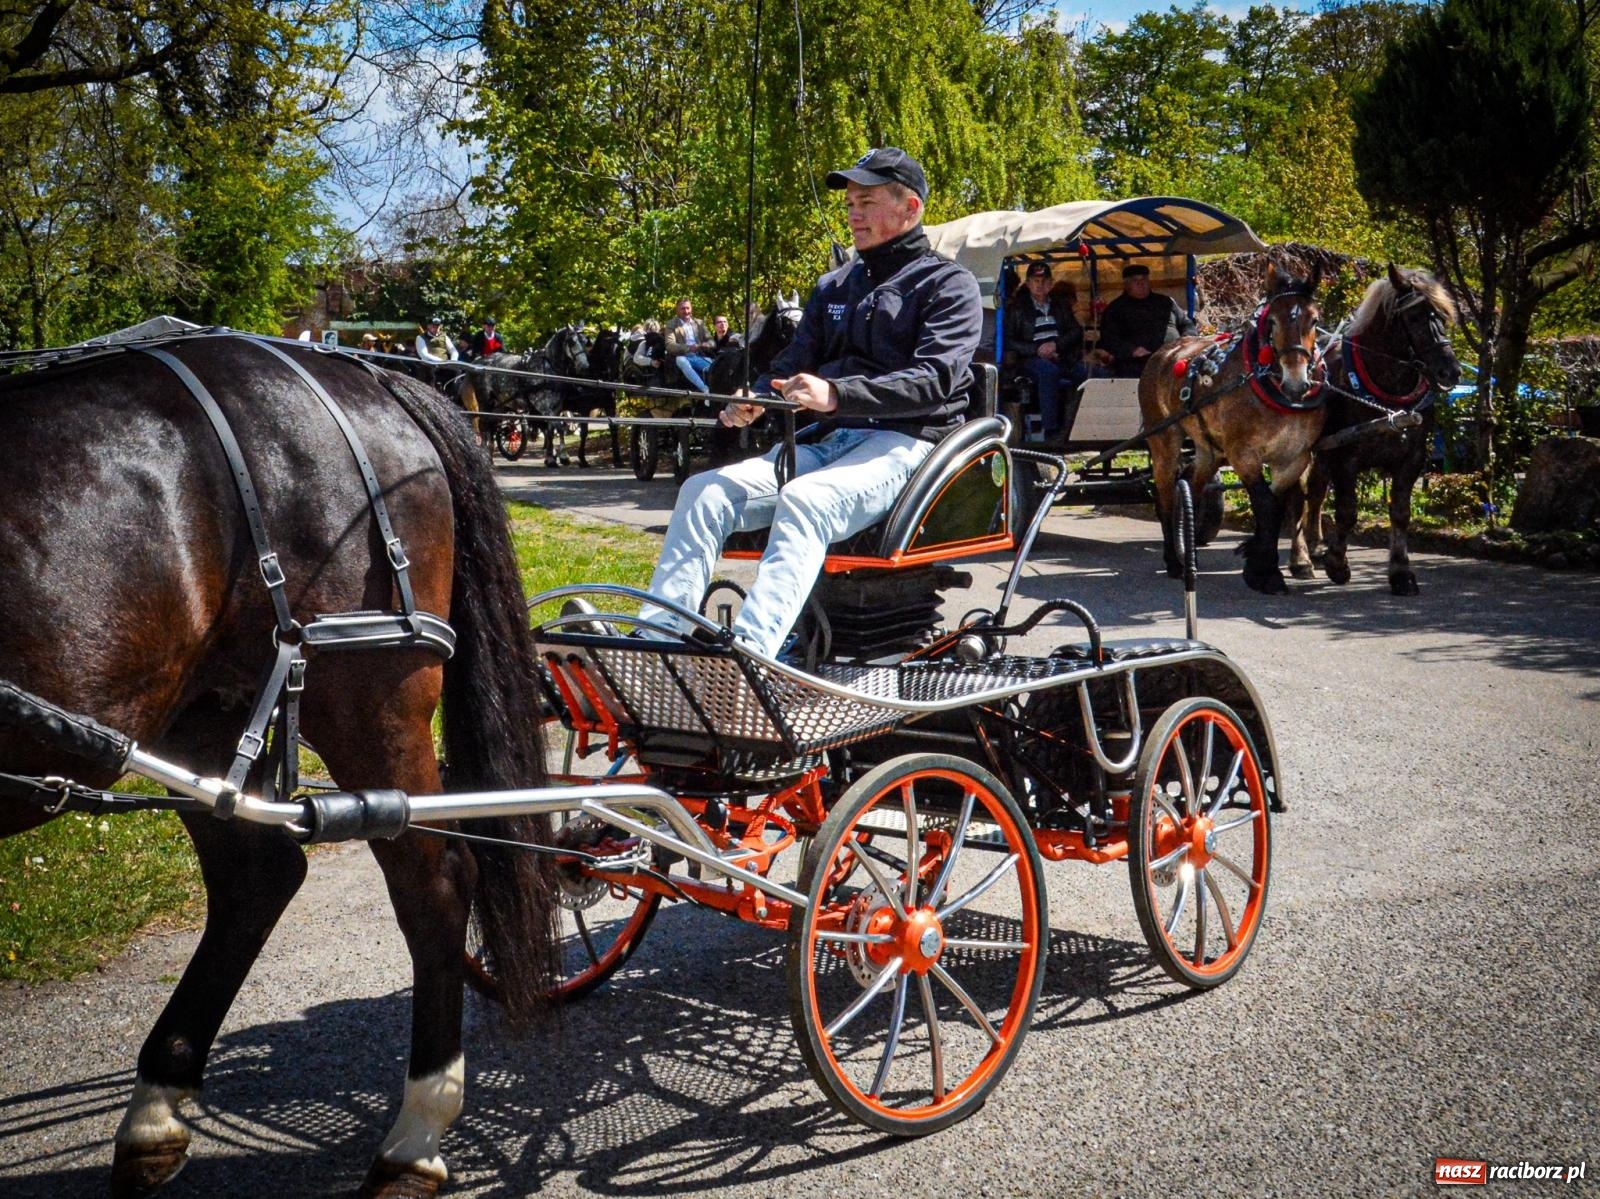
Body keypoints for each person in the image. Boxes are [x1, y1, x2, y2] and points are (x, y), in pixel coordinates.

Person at [635, 146, 981, 658]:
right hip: (825, 441)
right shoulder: (833, 286)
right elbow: (789, 366)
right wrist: (757, 398)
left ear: (910, 208)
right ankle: (657, 643)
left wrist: (836, 394)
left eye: (866, 201)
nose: (853, 213)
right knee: (702, 493)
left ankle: (750, 656)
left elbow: (933, 380)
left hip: (904, 444)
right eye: (850, 203)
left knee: (805, 498)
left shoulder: (949, 285)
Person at [1003, 261, 1086, 442]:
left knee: (1090, 373)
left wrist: (1056, 345)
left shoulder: (1060, 305)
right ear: (1028, 283)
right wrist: (1037, 350)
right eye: (1036, 281)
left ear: (1051, 283)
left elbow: (1076, 331)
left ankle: (1082, 426)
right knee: (1049, 372)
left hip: (1061, 357)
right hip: (1030, 360)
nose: (1040, 285)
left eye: (1044, 281)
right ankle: (1051, 431)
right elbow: (1008, 340)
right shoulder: (1017, 308)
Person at [1094, 264, 1197, 378]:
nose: (1141, 284)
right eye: (1135, 281)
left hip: (1174, 358)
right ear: (1126, 284)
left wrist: (1187, 338)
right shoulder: (1115, 309)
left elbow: (1186, 323)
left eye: (1144, 279)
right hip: (1137, 364)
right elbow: (1109, 339)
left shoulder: (1165, 302)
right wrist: (1131, 351)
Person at [666, 298, 714, 393]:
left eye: (688, 308)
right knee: (681, 360)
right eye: (683, 308)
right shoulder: (671, 324)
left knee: (717, 366)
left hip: (700, 356)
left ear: (691, 309)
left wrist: (701, 345)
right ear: (677, 310)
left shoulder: (699, 323)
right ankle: (705, 389)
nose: (686, 311)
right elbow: (669, 345)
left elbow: (711, 342)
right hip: (683, 356)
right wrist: (688, 348)